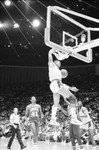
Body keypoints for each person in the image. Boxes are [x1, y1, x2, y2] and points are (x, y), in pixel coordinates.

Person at [48, 49, 79, 125]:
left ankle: (52, 119)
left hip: (54, 85)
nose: (59, 62)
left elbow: (61, 84)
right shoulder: (52, 66)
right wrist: (50, 52)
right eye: (58, 61)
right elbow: (50, 59)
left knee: (56, 103)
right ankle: (73, 118)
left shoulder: (57, 71)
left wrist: (70, 88)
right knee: (73, 99)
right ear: (55, 62)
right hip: (55, 84)